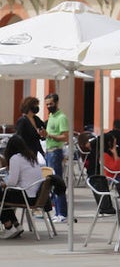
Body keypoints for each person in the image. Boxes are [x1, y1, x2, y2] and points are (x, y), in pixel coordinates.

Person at [1, 135, 40, 239]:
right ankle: (16, 225)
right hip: (36, 196)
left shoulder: (15, 158)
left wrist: (3, 182)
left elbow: (12, 182)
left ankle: (8, 227)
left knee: (2, 196)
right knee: (3, 196)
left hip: (25, 195)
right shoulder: (32, 157)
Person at [42, 93, 69, 221]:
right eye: (47, 104)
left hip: (55, 151)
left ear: (56, 103)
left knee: (57, 182)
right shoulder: (51, 116)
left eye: (51, 104)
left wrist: (50, 135)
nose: (48, 106)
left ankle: (62, 213)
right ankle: (57, 212)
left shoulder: (61, 117)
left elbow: (65, 136)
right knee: (51, 183)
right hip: (48, 151)